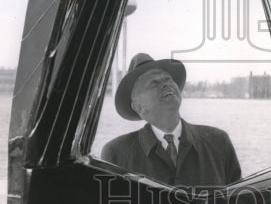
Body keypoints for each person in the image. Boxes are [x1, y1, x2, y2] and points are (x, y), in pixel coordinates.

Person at [101, 53, 242, 187]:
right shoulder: (116, 154)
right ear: (138, 106)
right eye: (154, 83)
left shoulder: (219, 142)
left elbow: (240, 202)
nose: (166, 84)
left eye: (168, 79)